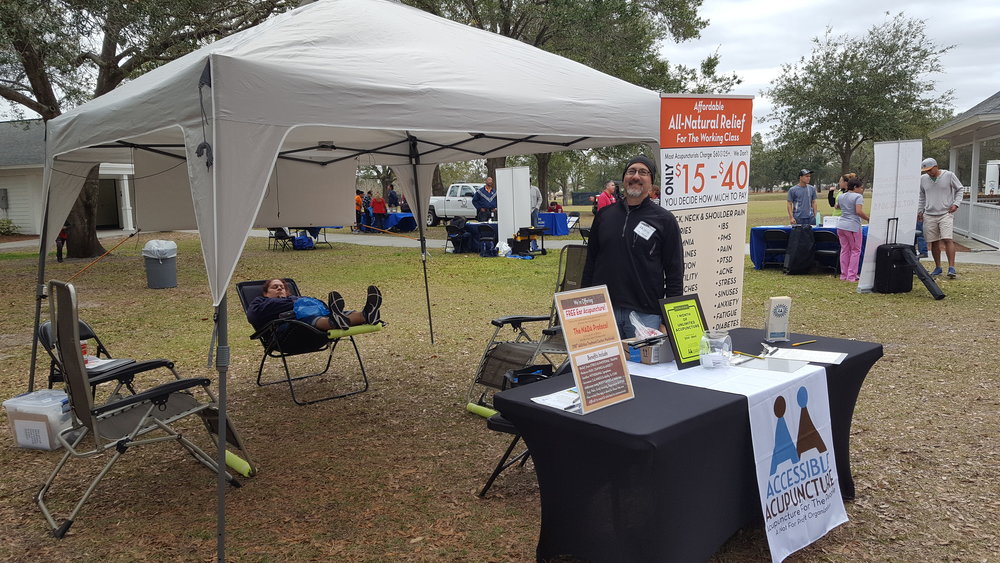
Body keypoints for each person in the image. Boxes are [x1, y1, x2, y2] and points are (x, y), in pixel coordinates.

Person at [582, 155, 684, 339]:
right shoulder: (605, 215)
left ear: (651, 183)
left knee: (644, 368)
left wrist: (669, 321)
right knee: (607, 367)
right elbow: (591, 261)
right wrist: (585, 305)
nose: (636, 176)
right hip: (604, 310)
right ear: (624, 179)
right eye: (631, 171)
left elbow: (674, 271)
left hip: (645, 314)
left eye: (643, 172)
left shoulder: (664, 220)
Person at [247, 279, 383, 332]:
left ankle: (366, 314)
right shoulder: (260, 302)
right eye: (274, 287)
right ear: (265, 293)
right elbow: (253, 316)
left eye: (282, 287)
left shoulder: (295, 298)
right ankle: (334, 321)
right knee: (306, 318)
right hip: (289, 330)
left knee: (333, 314)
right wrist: (291, 304)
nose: (279, 289)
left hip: (316, 321)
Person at [918, 157, 964, 278]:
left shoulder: (948, 175)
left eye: (930, 170)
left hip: (945, 213)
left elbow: (960, 189)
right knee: (933, 242)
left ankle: (951, 267)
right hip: (929, 214)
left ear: (936, 166)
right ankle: (938, 267)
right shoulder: (923, 179)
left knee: (947, 239)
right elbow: (921, 196)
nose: (928, 173)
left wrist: (956, 203)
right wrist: (920, 211)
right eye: (926, 171)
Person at [835, 177, 870, 282]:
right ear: (855, 187)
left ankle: (844, 274)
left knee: (845, 250)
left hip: (841, 225)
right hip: (852, 226)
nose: (862, 189)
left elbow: (837, 206)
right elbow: (858, 211)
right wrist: (868, 218)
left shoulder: (842, 196)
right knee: (855, 250)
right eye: (860, 187)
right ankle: (851, 275)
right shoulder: (858, 197)